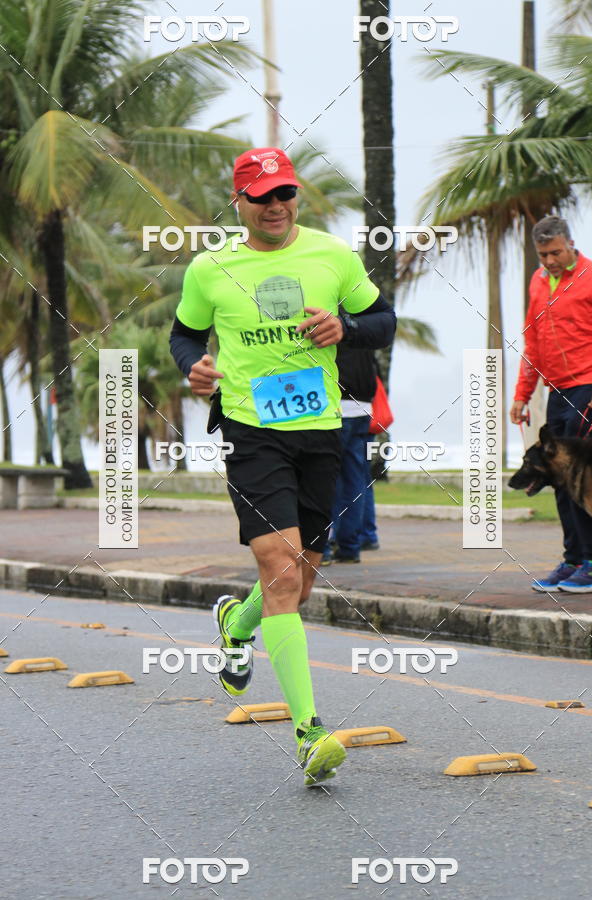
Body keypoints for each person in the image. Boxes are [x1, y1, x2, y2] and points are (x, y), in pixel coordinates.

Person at [169, 147, 396, 785]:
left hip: (320, 430)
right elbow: (184, 333)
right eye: (263, 196)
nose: (276, 207)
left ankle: (235, 624)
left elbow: (385, 321)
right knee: (279, 566)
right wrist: (195, 364)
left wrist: (345, 326)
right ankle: (309, 732)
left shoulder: (333, 255)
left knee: (300, 581)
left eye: (286, 194)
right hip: (250, 430)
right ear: (239, 201)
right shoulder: (211, 268)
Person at [510, 215, 592, 593]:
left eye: (555, 253)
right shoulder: (537, 282)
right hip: (557, 391)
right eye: (543, 254)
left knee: (583, 477)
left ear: (570, 244)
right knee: (557, 476)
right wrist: (521, 394)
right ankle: (574, 558)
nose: (549, 261)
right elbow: (533, 343)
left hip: (590, 386)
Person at [321, 344, 378, 565]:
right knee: (356, 481)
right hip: (363, 407)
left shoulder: (329, 320)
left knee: (323, 480)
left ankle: (322, 548)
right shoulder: (363, 322)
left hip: (334, 405)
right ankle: (349, 548)